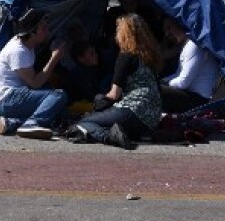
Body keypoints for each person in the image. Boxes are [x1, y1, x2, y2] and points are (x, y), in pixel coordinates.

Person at [68, 14, 163, 149]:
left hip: (134, 110)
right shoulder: (151, 58)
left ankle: (109, 136)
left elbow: (114, 95)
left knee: (84, 122)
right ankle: (124, 133)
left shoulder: (125, 56)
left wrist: (98, 104)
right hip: (152, 118)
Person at [0, 9, 69, 140]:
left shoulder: (28, 45)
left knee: (58, 108)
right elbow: (35, 83)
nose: (47, 32)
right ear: (32, 32)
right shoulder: (18, 51)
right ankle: (32, 123)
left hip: (12, 98)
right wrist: (55, 58)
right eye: (43, 29)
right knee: (59, 96)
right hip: (7, 99)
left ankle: (14, 122)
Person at [159, 17, 220, 114]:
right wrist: (162, 81)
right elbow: (178, 75)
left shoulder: (194, 46)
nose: (167, 34)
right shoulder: (188, 45)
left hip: (200, 100)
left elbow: (183, 82)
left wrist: (160, 85)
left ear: (180, 25)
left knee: (158, 92)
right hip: (192, 94)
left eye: (169, 28)